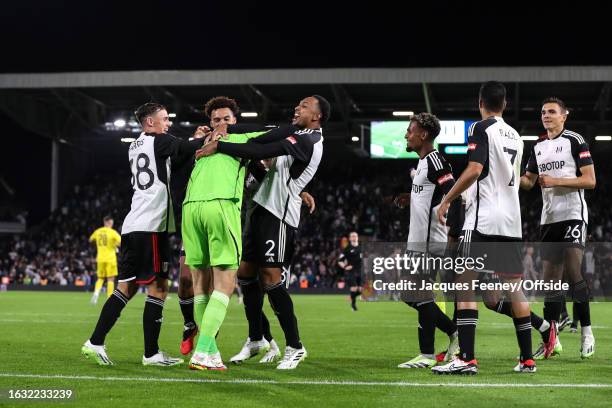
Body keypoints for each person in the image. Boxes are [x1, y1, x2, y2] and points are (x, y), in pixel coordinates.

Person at [197, 95, 330, 369]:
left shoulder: (310, 139)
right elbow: (259, 138)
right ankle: (256, 338)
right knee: (245, 273)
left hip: (279, 215)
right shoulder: (297, 131)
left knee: (270, 277)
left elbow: (259, 149)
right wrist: (228, 131)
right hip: (260, 208)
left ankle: (295, 346)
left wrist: (220, 146)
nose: (297, 107)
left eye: (304, 105)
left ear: (316, 116)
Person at [183, 103, 303, 370]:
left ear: (233, 119)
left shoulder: (200, 142)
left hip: (190, 210)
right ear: (214, 122)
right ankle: (202, 352)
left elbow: (255, 176)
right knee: (224, 285)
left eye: (226, 118)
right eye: (218, 119)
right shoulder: (241, 136)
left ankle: (210, 351)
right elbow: (278, 132)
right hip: (220, 206)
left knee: (201, 286)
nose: (222, 122)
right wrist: (299, 124)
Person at [81, 102, 203, 366]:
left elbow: (177, 158)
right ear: (150, 122)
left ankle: (95, 341)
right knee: (158, 289)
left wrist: (193, 142)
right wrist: (201, 137)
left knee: (126, 287)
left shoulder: (134, 146)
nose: (168, 123)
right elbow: (185, 148)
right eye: (164, 118)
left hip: (132, 225)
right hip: (151, 227)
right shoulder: (158, 141)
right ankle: (151, 354)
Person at [433, 81, 535, 374]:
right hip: (512, 223)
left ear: (481, 103)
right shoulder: (516, 136)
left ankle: (466, 358)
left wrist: (447, 200)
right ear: (504, 104)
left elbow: (475, 170)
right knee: (515, 289)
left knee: (463, 284)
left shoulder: (480, 129)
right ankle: (527, 359)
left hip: (483, 220)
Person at [520, 97, 596, 359]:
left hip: (573, 215)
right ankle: (552, 340)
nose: (546, 115)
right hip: (548, 219)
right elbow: (529, 182)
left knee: (574, 274)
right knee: (550, 283)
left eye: (552, 112)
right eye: (543, 112)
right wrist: (507, 178)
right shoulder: (538, 146)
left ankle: (587, 333)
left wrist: (554, 180)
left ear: (564, 115)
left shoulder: (575, 140)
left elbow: (589, 180)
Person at [391, 113, 459, 369]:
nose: (406, 135)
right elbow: (431, 194)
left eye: (410, 130)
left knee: (415, 295)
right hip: (418, 240)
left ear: (423, 135)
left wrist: (449, 223)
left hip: (430, 242)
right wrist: (411, 198)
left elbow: (453, 191)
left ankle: (444, 342)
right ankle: (435, 348)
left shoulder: (435, 160)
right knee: (416, 296)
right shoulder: (422, 163)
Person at [88, 216, 121, 304]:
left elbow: (90, 240)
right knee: (110, 279)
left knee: (100, 278)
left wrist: (99, 246)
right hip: (110, 259)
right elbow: (121, 243)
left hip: (100, 258)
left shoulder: (97, 231)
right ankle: (109, 298)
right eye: (111, 223)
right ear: (109, 223)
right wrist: (115, 245)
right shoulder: (113, 232)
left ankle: (96, 293)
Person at [337, 231, 363, 311]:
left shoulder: (361, 248)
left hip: (360, 271)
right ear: (350, 238)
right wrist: (345, 267)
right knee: (354, 287)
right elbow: (339, 260)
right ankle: (353, 305)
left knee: (362, 290)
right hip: (351, 272)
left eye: (355, 236)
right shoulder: (347, 249)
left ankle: (352, 296)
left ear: (357, 237)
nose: (354, 237)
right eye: (352, 236)